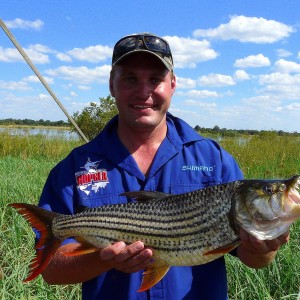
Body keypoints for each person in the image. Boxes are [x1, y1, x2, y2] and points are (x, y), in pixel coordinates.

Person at [39, 33, 289, 300]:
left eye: (155, 79)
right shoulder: (74, 168)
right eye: (130, 78)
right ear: (112, 85)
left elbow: (254, 259)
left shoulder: (213, 158)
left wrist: (264, 249)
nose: (144, 92)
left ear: (172, 84)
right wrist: (104, 258)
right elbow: (52, 272)